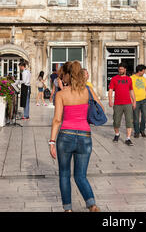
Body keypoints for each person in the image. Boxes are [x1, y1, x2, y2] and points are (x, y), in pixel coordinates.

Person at [49, 60, 103, 212]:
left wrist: (51, 141)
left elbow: (57, 120)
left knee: (64, 175)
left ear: (67, 75)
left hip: (66, 135)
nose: (61, 78)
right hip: (85, 136)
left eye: (62, 75)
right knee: (81, 176)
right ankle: (92, 205)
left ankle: (68, 209)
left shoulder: (61, 94)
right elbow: (101, 108)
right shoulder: (87, 91)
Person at [108, 63, 136, 146]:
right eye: (119, 69)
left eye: (122, 69)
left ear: (125, 69)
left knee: (129, 121)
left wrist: (134, 101)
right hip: (117, 103)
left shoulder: (129, 79)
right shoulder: (114, 79)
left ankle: (128, 138)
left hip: (128, 103)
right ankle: (117, 134)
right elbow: (110, 90)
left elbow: (131, 90)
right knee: (116, 121)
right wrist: (110, 100)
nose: (120, 71)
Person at [131, 65, 146, 138]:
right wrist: (132, 100)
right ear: (140, 71)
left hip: (144, 100)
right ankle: (137, 131)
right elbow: (129, 90)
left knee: (145, 116)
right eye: (143, 71)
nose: (144, 72)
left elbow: (145, 87)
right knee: (136, 117)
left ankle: (142, 129)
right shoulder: (131, 78)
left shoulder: (144, 78)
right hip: (136, 100)